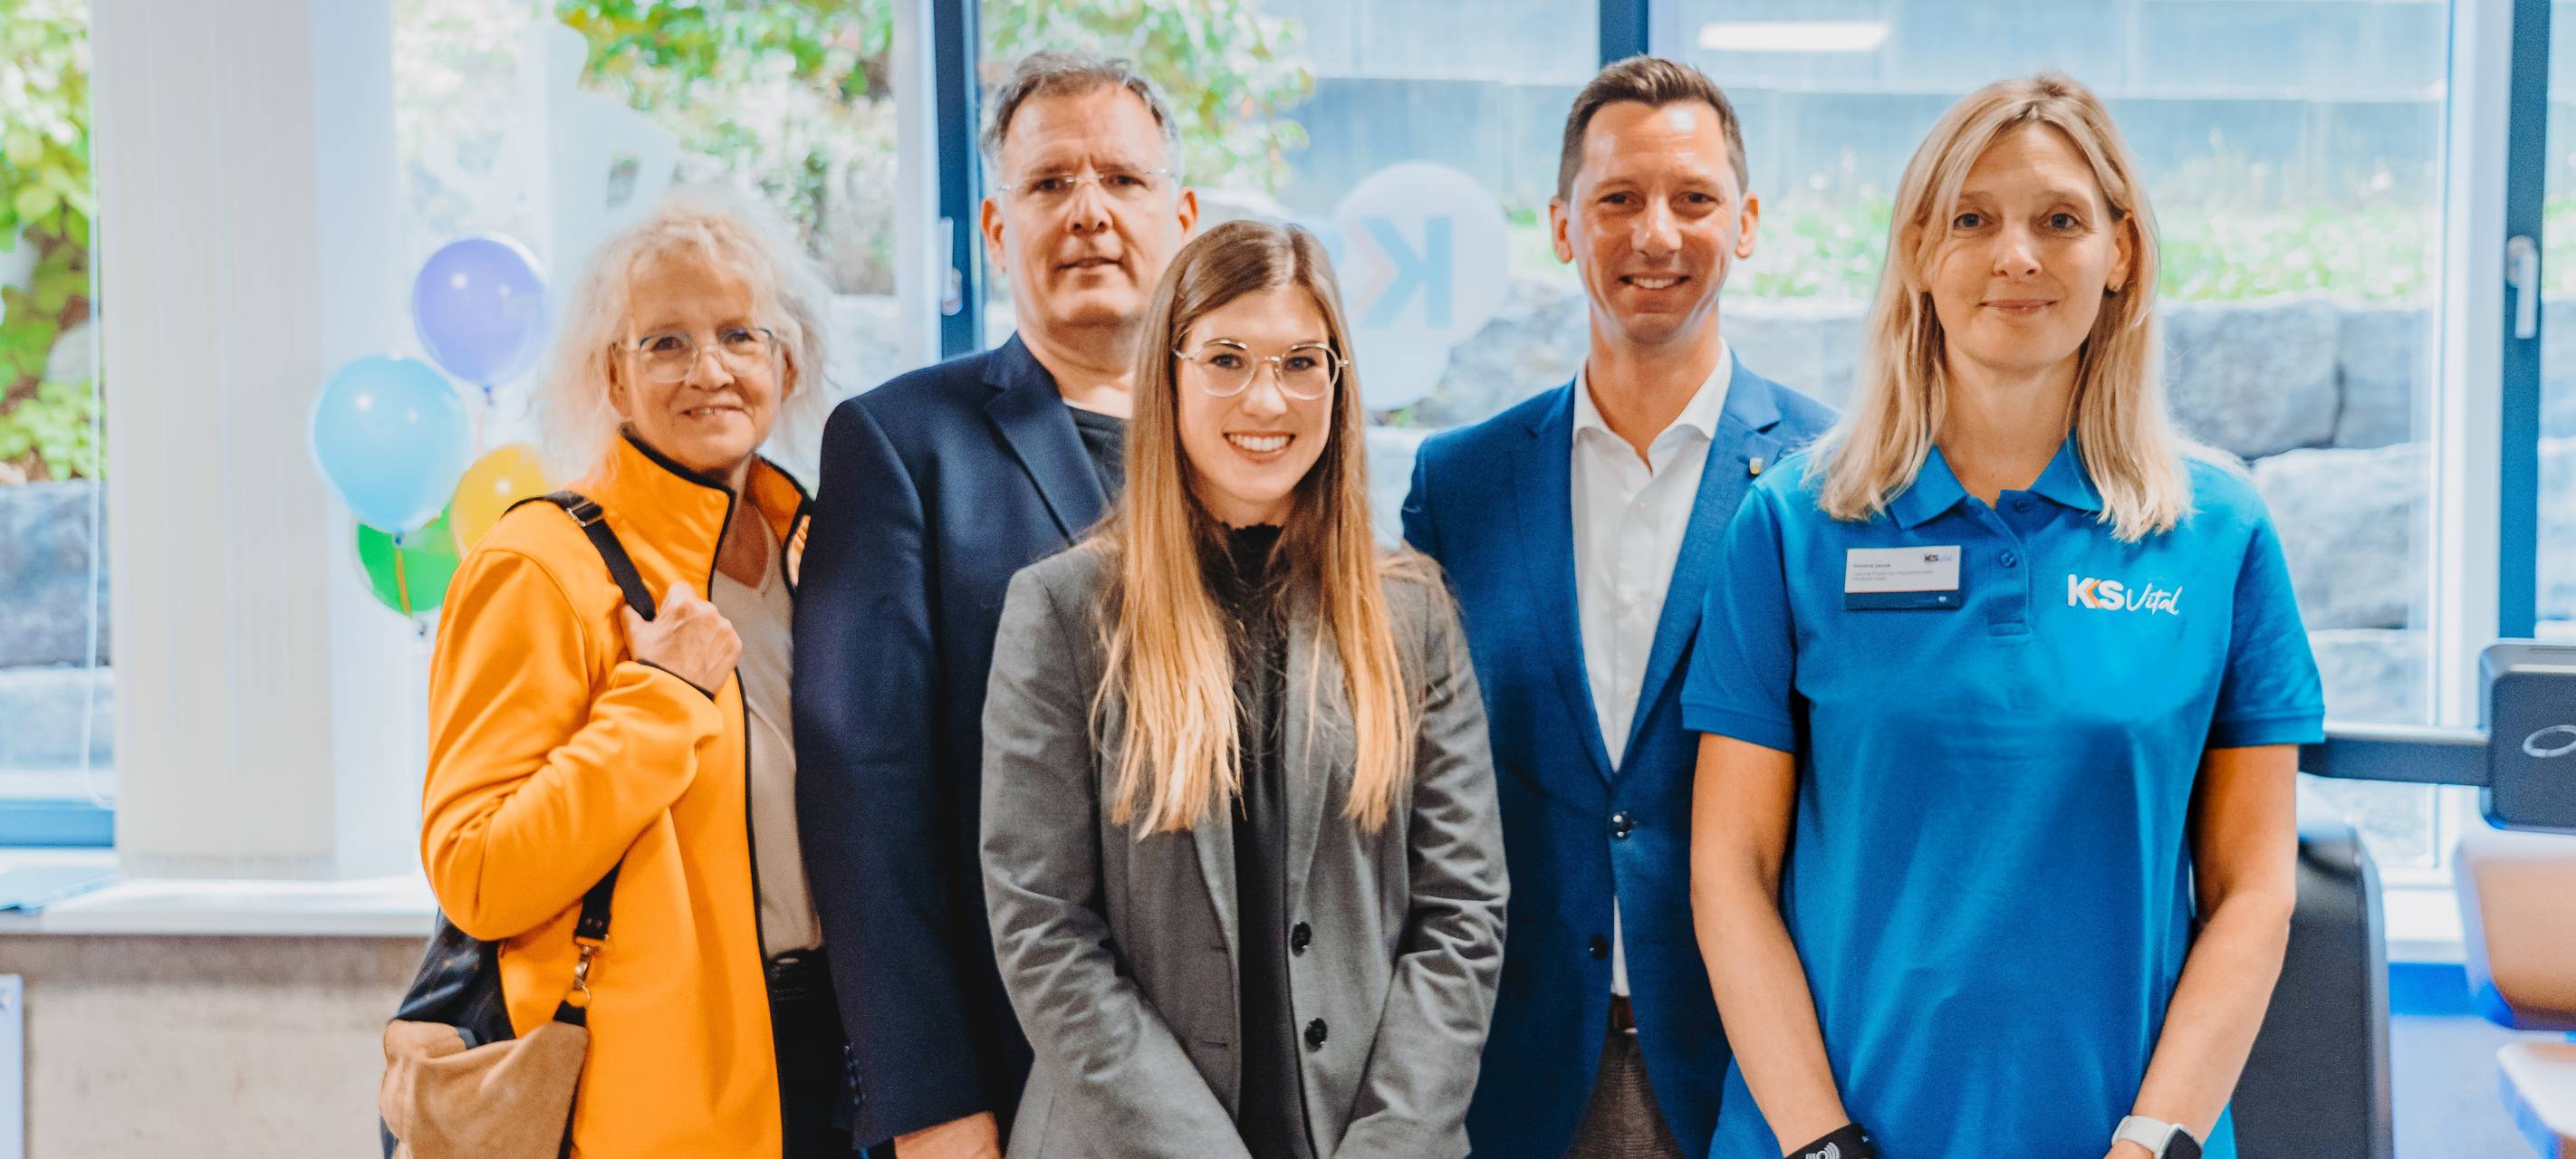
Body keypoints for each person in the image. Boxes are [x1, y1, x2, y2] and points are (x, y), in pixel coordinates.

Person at [1682, 73, 2323, 1159]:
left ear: (2120, 252)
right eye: (1972, 219)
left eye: (2060, 220)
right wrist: (1817, 1141)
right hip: (1828, 1134)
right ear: (1920, 252)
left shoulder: (2220, 535)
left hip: (2117, 1134)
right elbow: (1729, 869)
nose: (2016, 255)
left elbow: (2253, 887)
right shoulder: (1795, 523)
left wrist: (2155, 1136)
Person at [979, 219, 1508, 1159]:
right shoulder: (1063, 611)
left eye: (1301, 361)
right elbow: (1043, 926)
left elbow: (1462, 911)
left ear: (1337, 384)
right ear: (1169, 374)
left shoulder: (1412, 614)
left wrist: (1391, 1141)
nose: (1267, 397)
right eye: (1226, 358)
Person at [1400, 55, 1835, 1158]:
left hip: (1759, 1069)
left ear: (1744, 224)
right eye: (1618, 200)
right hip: (1514, 1065)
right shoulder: (1462, 483)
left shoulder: (1837, 480)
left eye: (1693, 200)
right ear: (1560, 226)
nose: (1656, 235)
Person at [793, 51, 1201, 1158]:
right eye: (1049, 184)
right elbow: (863, 802)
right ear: (993, 223)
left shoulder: (1251, 446)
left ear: (1182, 212)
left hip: (1230, 1082)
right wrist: (926, 1100)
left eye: (1121, 179)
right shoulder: (900, 445)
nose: (1089, 214)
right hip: (1007, 1083)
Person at [418, 186, 845, 1155]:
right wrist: (660, 700)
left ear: (787, 359)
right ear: (611, 377)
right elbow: (477, 870)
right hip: (648, 1106)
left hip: (827, 1067)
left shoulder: (818, 552)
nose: (711, 370)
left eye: (740, 334)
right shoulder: (539, 563)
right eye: (665, 343)